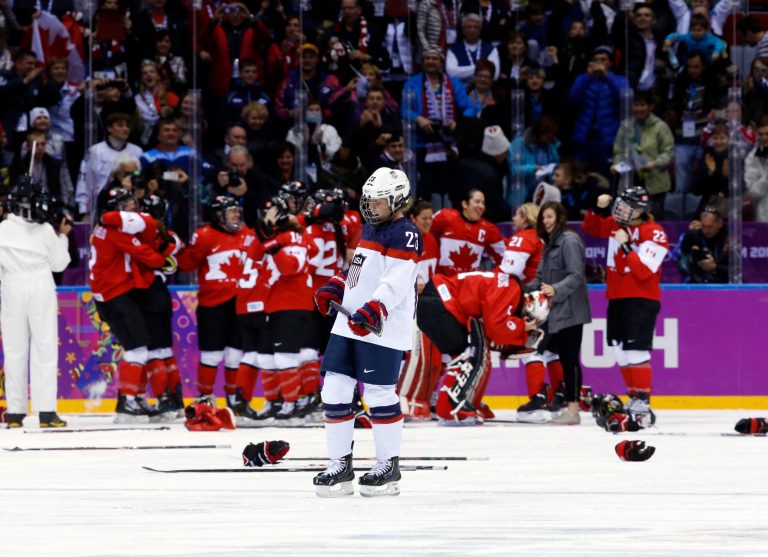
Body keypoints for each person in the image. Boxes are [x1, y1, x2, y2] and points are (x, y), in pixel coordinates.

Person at [312, 167, 420, 497]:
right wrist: (338, 285)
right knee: (333, 389)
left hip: (380, 328)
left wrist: (376, 309)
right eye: (369, 201)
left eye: (379, 202)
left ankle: (389, 465)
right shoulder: (372, 228)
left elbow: (395, 282)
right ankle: (340, 465)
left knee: (378, 394)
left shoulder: (406, 233)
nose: (371, 207)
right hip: (349, 323)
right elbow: (360, 273)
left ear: (398, 200)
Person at [582, 187, 669, 430]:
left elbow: (643, 271)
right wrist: (598, 208)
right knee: (620, 351)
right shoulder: (615, 225)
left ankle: (643, 401)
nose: (620, 210)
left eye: (626, 207)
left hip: (641, 299)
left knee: (636, 352)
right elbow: (590, 227)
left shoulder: (655, 233)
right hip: (617, 297)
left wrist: (626, 245)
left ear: (641, 211)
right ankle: (634, 398)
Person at [417, 269, 540, 424]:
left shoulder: (506, 284)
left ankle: (468, 400)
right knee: (467, 355)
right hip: (440, 303)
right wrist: (522, 328)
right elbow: (497, 328)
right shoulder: (512, 288)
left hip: (438, 302)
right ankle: (449, 408)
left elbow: (491, 327)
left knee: (474, 351)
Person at [0, 180, 71, 428]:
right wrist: (63, 237)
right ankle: (46, 412)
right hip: (40, 283)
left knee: (14, 348)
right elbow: (60, 264)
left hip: (11, 285)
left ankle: (15, 413)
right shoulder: (44, 231)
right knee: (44, 347)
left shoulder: (2, 229)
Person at [178, 197, 248, 406]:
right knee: (212, 354)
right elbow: (186, 265)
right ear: (218, 215)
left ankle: (234, 399)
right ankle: (205, 398)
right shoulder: (204, 235)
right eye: (231, 211)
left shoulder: (247, 234)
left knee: (235, 354)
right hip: (212, 305)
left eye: (237, 211)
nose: (236, 215)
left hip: (240, 303)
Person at [527, 201, 591, 425]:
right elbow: (540, 277)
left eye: (550, 217)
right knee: (562, 359)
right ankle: (568, 405)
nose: (546, 221)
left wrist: (556, 289)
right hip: (554, 312)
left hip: (571, 310)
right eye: (543, 217)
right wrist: (521, 289)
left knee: (570, 359)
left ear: (560, 217)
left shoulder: (569, 241)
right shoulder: (549, 244)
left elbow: (576, 275)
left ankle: (573, 411)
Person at [611, 90, 675, 215]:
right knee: (629, 219)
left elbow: (669, 152)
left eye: (642, 105)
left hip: (654, 183)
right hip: (630, 180)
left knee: (651, 219)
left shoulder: (660, 126)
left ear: (651, 107)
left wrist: (655, 163)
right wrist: (617, 164)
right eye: (636, 105)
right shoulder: (625, 126)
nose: (639, 108)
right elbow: (618, 150)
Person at [430, 188, 505, 276]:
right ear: (465, 204)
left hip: (469, 285)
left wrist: (496, 277)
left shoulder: (488, 229)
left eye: (483, 203)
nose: (481, 206)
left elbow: (503, 256)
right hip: (444, 282)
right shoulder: (446, 217)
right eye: (477, 201)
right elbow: (423, 231)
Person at [677, 206, 728, 284]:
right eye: (703, 226)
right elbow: (680, 265)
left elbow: (737, 271)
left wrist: (715, 267)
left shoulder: (728, 238)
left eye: (710, 227)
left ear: (720, 224)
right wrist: (690, 259)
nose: (706, 231)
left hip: (721, 284)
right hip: (695, 283)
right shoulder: (692, 236)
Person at [745, 117, 768, 223]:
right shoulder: (752, 158)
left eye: (767, 134)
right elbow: (752, 193)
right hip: (763, 215)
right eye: (761, 134)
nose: (764, 138)